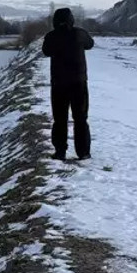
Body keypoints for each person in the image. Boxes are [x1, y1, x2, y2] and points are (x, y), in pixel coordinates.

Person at [42, 8, 94, 161]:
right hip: (79, 82)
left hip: (59, 83)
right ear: (72, 19)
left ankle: (60, 152)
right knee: (80, 118)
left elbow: (46, 51)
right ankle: (83, 152)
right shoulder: (80, 33)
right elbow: (90, 44)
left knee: (60, 118)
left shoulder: (51, 36)